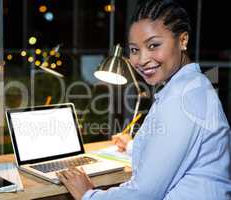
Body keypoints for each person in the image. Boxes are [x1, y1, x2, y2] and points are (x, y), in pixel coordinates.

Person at [56, 0, 231, 199]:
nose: (141, 60)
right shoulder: (192, 87)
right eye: (134, 50)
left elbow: (145, 193)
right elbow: (177, 153)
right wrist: (132, 146)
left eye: (154, 45)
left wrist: (88, 195)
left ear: (183, 40)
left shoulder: (182, 99)